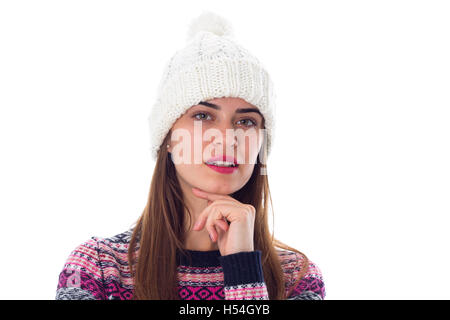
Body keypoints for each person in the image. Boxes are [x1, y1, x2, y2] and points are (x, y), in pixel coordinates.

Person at [55, 11, 326, 300]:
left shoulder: (297, 277)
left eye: (246, 121)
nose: (226, 138)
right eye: (202, 116)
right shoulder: (97, 268)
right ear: (168, 138)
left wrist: (244, 270)